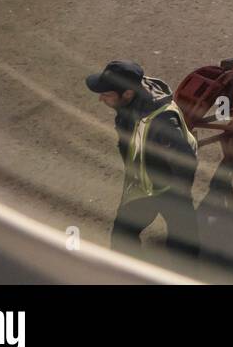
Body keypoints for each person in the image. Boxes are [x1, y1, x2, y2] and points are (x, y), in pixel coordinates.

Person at [85, 59, 200, 257]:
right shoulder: (131, 97)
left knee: (183, 245)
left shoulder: (161, 121)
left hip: (168, 186)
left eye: (106, 94)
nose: (101, 99)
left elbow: (184, 162)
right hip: (142, 183)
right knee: (122, 237)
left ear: (128, 93)